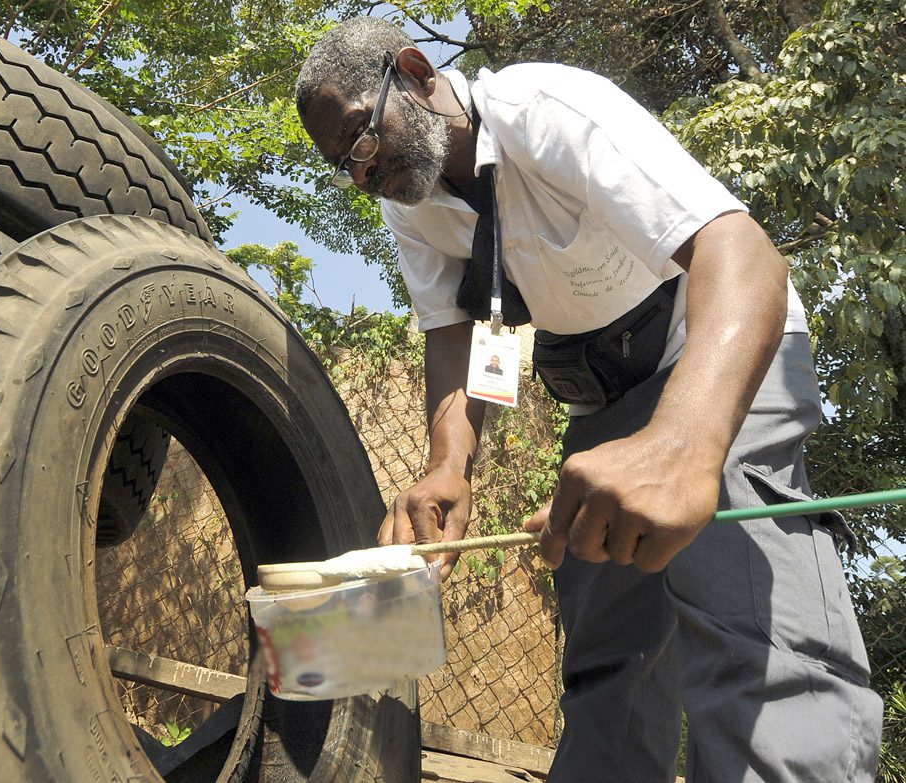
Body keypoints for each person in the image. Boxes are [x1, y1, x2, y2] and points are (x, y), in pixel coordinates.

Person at [294, 17, 882, 782]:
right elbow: (455, 329)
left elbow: (742, 254)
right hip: (604, 404)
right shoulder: (410, 200)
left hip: (715, 350)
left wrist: (685, 445)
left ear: (412, 69)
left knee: (743, 615)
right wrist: (449, 463)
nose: (362, 173)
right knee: (608, 651)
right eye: (344, 164)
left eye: (361, 139)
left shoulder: (549, 109)